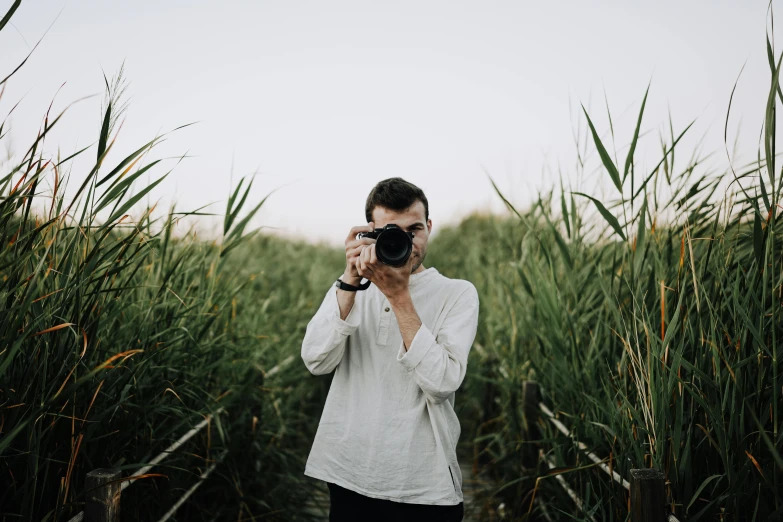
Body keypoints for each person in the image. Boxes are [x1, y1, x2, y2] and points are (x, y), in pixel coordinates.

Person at [301, 177, 479, 522]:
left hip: (425, 484)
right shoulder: (350, 287)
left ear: (428, 226)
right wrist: (350, 280)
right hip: (348, 474)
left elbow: (442, 383)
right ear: (370, 233)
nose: (405, 242)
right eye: (391, 232)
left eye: (414, 229)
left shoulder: (457, 293)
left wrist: (399, 297)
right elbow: (316, 360)